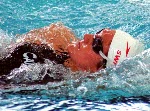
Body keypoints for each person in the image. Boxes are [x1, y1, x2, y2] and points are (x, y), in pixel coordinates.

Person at [0, 23, 144, 78]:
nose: (87, 36)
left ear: (100, 69)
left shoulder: (60, 85)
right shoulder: (59, 36)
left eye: (96, 43)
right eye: (97, 33)